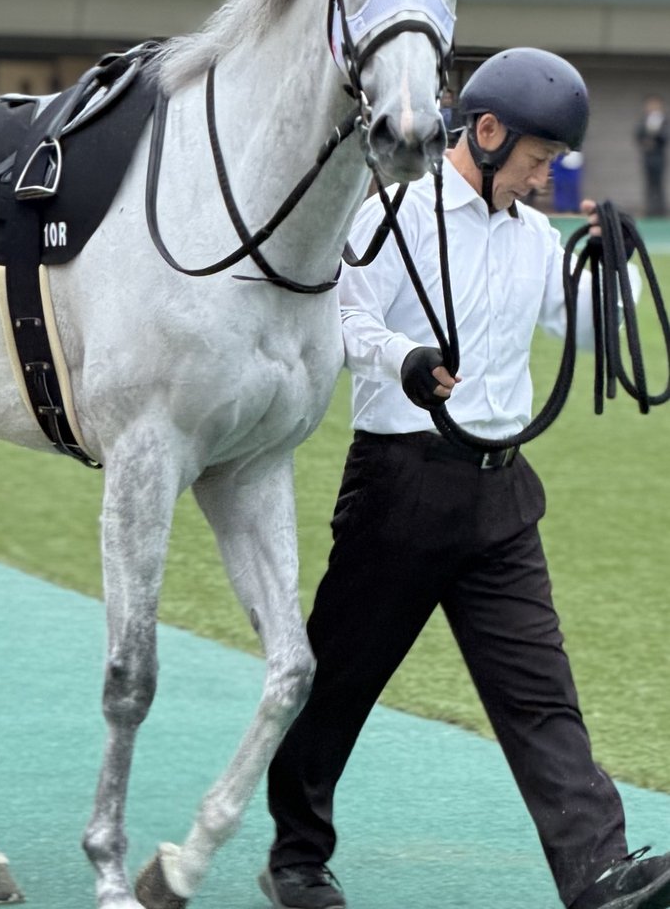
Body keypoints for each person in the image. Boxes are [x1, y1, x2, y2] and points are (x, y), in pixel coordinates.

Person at [260, 48, 669, 909]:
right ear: (486, 133)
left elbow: (593, 335)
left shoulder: (535, 237)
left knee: (542, 695)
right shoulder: (394, 212)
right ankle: (296, 857)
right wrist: (403, 359)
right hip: (398, 488)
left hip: (501, 498)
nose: (545, 176)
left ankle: (599, 870)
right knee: (340, 684)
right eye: (535, 159)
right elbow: (343, 308)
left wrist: (611, 260)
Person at [634, 94, 667, 217]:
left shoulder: (664, 120)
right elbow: (638, 134)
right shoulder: (644, 120)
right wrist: (644, 142)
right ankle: (650, 209)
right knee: (648, 183)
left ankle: (660, 210)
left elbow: (665, 137)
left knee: (658, 183)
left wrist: (655, 139)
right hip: (647, 156)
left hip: (658, 157)